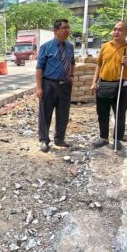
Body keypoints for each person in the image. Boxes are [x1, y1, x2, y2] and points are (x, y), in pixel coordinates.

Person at [90, 21, 127, 150]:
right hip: (104, 83)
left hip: (121, 85)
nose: (116, 32)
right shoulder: (105, 46)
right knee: (102, 112)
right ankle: (103, 138)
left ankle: (117, 139)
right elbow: (99, 64)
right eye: (115, 29)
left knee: (119, 113)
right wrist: (94, 82)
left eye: (120, 30)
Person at [36, 19, 75, 152]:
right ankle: (44, 140)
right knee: (45, 113)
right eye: (64, 28)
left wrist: (72, 76)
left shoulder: (70, 47)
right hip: (49, 84)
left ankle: (59, 138)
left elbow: (72, 62)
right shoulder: (46, 47)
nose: (67, 30)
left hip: (65, 86)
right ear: (56, 30)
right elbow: (39, 68)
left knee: (63, 113)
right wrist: (39, 87)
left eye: (68, 28)